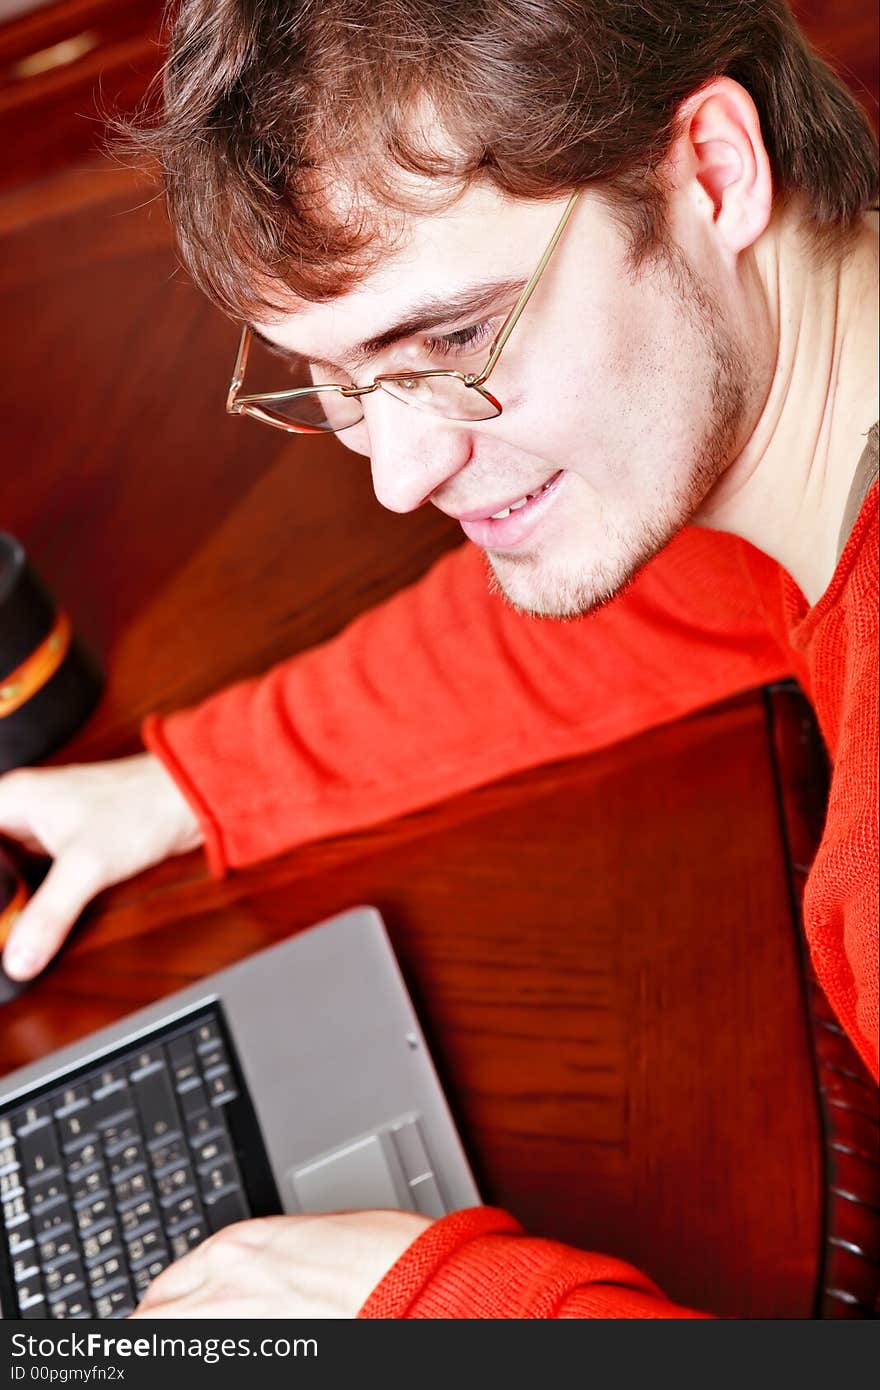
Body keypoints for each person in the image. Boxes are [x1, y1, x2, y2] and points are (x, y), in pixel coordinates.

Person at [0, 0, 876, 1318]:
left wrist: (424, 1302)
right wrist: (187, 788)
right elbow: (651, 616)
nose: (400, 475)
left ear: (711, 169)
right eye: (338, 380)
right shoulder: (785, 450)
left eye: (455, 342)